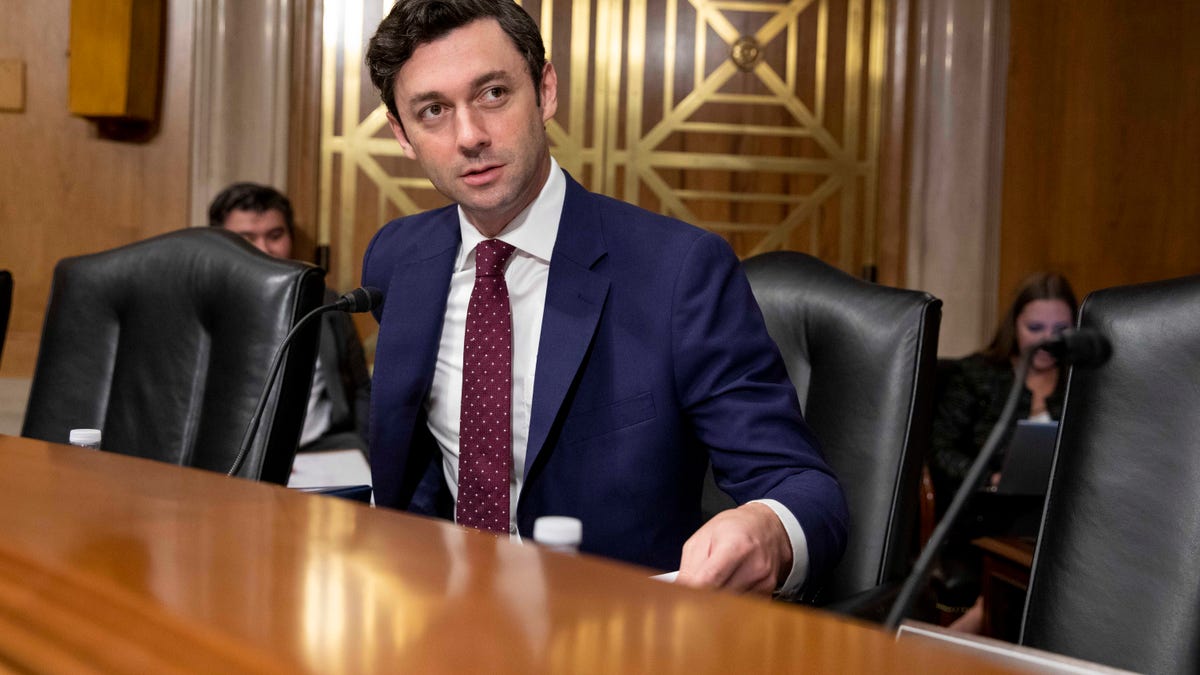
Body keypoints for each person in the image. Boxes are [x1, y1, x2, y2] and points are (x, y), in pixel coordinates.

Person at [360, 0, 847, 597]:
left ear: (545, 91)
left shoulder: (678, 272)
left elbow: (803, 486)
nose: (470, 137)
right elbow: (415, 472)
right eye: (433, 111)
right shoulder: (397, 260)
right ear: (402, 135)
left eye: (492, 94)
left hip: (612, 630)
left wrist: (767, 527)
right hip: (436, 616)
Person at [929, 271, 1078, 632]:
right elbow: (941, 450)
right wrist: (989, 477)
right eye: (1036, 327)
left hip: (1057, 508)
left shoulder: (1083, 380)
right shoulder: (978, 374)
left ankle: (990, 616)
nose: (1048, 340)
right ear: (1015, 325)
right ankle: (986, 613)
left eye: (1060, 330)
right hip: (985, 509)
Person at [208, 183, 372, 466]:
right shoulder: (205, 307)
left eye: (275, 235)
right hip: (233, 459)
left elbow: (360, 389)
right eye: (246, 237)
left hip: (323, 452)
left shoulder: (326, 302)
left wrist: (363, 447)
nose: (264, 249)